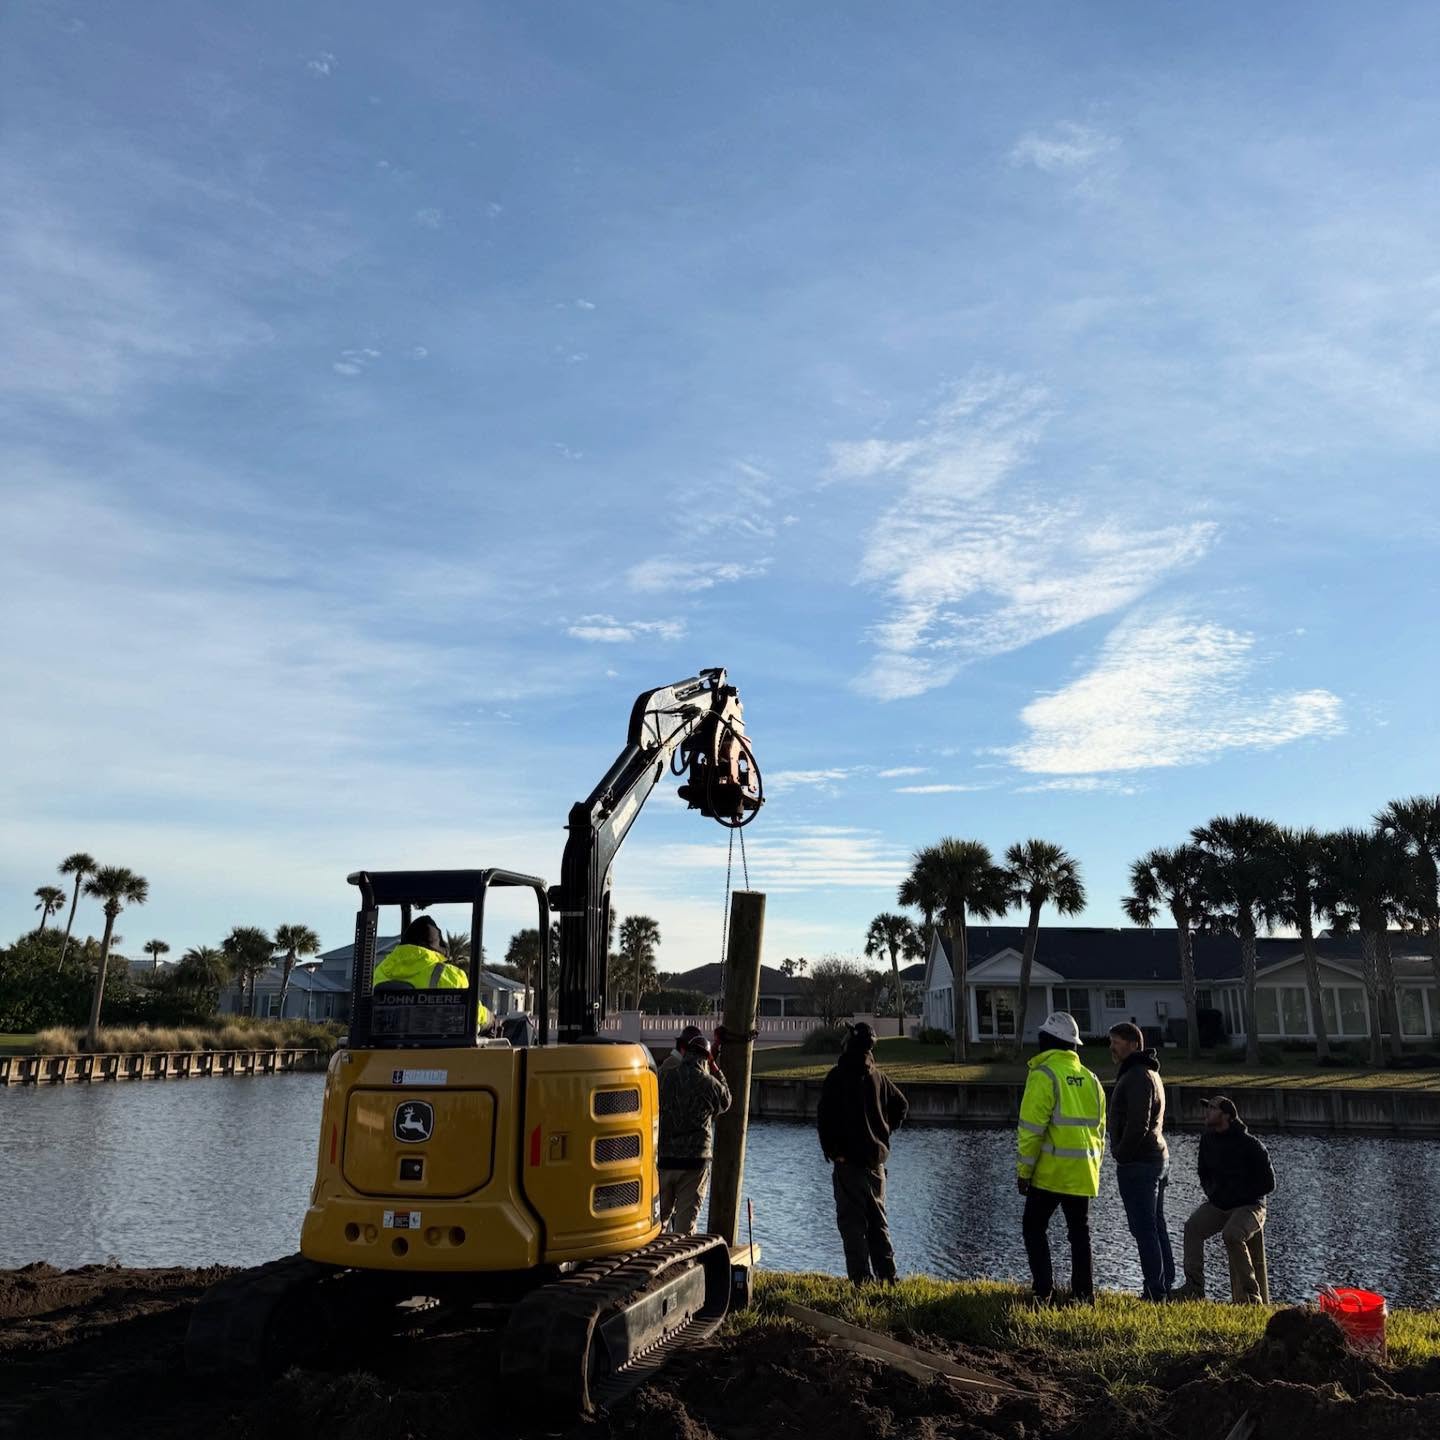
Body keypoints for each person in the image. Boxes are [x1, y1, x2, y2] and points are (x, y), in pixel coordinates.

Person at [1016, 1011, 1106, 1305]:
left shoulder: (1044, 1075)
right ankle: (1084, 1296)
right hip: (1083, 1172)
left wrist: (1024, 1172)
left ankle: (1043, 1291)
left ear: (1048, 1041)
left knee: (1033, 1227)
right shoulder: (1092, 1079)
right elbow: (1100, 1131)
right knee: (1080, 1234)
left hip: (1050, 1173)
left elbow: (1031, 1131)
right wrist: (1094, 1167)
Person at [816, 1021, 909, 1284]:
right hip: (876, 1164)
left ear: (850, 1042)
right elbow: (902, 1105)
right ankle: (888, 1277)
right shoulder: (878, 1077)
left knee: (852, 1225)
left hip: (848, 1165)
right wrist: (884, 1133)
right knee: (878, 1222)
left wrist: (833, 1151)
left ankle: (861, 1281)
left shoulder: (837, 1077)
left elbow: (824, 1118)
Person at [1172, 1096, 1275, 1303]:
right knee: (1192, 1227)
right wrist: (1214, 1194)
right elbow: (1203, 1172)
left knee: (1232, 1234)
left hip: (1251, 1206)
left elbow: (1269, 1184)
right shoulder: (1207, 1140)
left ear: (1226, 1115)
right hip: (1220, 1204)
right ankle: (1194, 1288)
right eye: (1207, 1108)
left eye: (1212, 1108)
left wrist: (1239, 1195)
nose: (1207, 1112)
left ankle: (1251, 1296)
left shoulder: (1251, 1145)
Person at [1108, 1022, 1175, 1301]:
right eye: (1111, 1042)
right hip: (1156, 1157)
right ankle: (1164, 1283)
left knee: (1144, 1228)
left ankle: (1154, 1291)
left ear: (1134, 1044)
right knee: (1155, 1225)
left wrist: (1121, 1153)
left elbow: (1139, 1123)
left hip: (1140, 1163)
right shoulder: (1150, 1072)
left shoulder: (1136, 1075)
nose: (1112, 1047)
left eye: (1117, 1042)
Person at [657, 1032, 731, 1234]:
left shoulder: (664, 1077)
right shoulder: (709, 1084)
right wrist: (715, 1067)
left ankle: (654, 1248)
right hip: (694, 1163)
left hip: (665, 1160)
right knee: (684, 1225)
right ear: (706, 1058)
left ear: (685, 1052)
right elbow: (726, 1100)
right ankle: (681, 1253)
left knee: (657, 1221)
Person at [372, 917, 490, 1029]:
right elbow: (472, 1010)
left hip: (383, 1041)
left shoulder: (379, 971)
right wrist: (490, 1019)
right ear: (437, 948)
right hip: (434, 1042)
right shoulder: (449, 975)